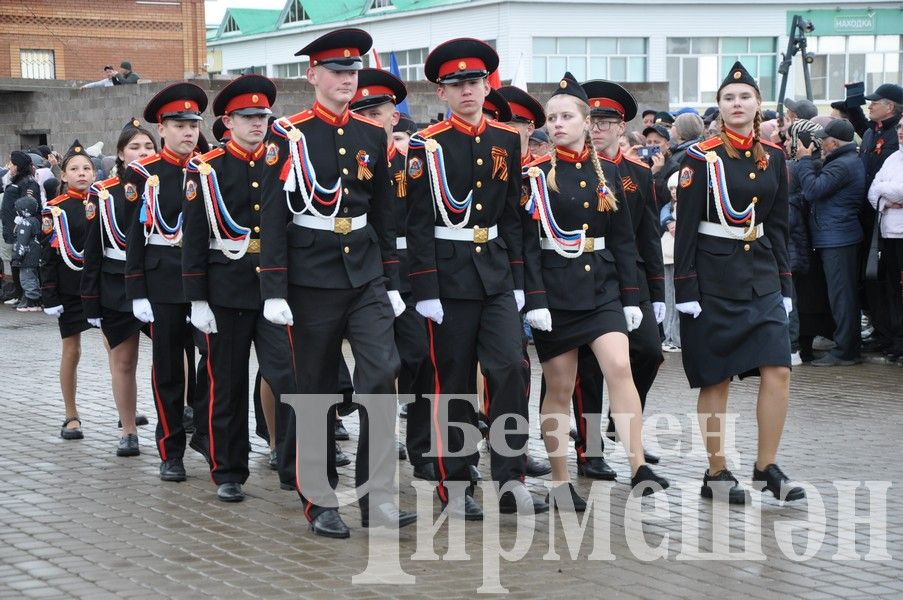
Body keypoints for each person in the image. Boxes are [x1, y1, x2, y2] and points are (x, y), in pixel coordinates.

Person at [259, 28, 414, 538]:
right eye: (337, 72)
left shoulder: (373, 135)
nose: (347, 79)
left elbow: (385, 214)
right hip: (311, 277)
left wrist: (390, 279)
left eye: (352, 72)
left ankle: (376, 497)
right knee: (316, 389)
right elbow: (273, 217)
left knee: (381, 372)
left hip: (365, 272)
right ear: (313, 76)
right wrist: (274, 290)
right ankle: (320, 499)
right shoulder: (288, 134)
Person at [405, 37, 548, 518]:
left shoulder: (507, 140)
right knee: (454, 381)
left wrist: (520, 281)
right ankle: (456, 481)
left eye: (475, 82)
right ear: (441, 93)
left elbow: (512, 218)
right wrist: (425, 287)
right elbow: (419, 221)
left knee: (510, 369)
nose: (468, 91)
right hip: (447, 278)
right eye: (457, 84)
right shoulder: (427, 146)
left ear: (488, 86)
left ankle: (511, 479)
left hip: (494, 275)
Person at [520, 73, 669, 510]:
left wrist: (630, 297)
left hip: (601, 286)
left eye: (568, 116)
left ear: (588, 123)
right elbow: (528, 245)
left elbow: (625, 239)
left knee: (620, 366)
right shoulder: (535, 175)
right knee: (561, 387)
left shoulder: (609, 174)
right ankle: (562, 480)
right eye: (552, 117)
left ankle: (638, 463)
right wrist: (535, 300)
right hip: (556, 290)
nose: (558, 124)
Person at [674, 61, 804, 504]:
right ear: (719, 106)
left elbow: (780, 226)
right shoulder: (699, 156)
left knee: (779, 369)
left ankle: (766, 465)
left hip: (761, 276)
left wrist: (785, 285)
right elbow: (687, 227)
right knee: (717, 377)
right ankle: (717, 471)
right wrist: (686, 289)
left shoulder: (776, 156)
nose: (736, 103)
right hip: (713, 280)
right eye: (729, 98)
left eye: (744, 97)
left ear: (757, 105)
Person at [182, 74, 297, 503]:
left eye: (263, 116)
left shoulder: (281, 160)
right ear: (228, 121)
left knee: (288, 376)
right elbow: (194, 236)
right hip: (225, 288)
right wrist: (196, 298)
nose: (257, 124)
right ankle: (228, 469)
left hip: (273, 288)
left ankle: (292, 462)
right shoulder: (207, 168)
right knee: (226, 383)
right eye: (248, 117)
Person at [562, 78, 666, 479]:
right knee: (586, 368)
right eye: (596, 120)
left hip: (631, 278)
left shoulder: (638, 173)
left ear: (622, 128)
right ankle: (589, 451)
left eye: (609, 122)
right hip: (581, 276)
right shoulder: (564, 168)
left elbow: (648, 236)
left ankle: (623, 422)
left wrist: (656, 291)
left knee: (649, 353)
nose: (600, 129)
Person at [124, 82, 208, 482]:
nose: (188, 132)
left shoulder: (211, 166)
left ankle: (208, 436)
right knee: (170, 369)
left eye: (193, 123)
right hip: (163, 278)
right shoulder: (144, 175)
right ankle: (170, 449)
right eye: (178, 124)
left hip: (209, 280)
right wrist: (136, 290)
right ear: (162, 128)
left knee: (215, 363)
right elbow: (134, 240)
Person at [81, 119, 157, 456]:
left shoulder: (166, 183)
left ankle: (183, 416)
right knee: (124, 361)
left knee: (174, 357)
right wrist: (90, 301)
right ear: (121, 155)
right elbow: (93, 249)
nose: (142, 153)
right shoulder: (104, 192)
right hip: (116, 283)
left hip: (159, 280)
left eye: (148, 146)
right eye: (135, 147)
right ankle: (128, 430)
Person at [795, 119, 865, 366]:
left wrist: (804, 160)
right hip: (835, 236)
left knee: (842, 296)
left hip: (838, 238)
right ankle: (845, 346)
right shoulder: (843, 161)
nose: (820, 145)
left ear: (833, 143)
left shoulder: (842, 165)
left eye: (823, 140)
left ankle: (846, 351)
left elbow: (813, 190)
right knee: (840, 295)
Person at [41, 141, 96, 440]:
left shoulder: (102, 204)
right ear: (63, 175)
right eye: (74, 169)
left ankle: (124, 408)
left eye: (87, 168)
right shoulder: (55, 210)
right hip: (70, 289)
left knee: (116, 349)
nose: (82, 173)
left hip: (100, 287)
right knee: (72, 350)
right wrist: (49, 295)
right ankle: (71, 414)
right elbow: (47, 256)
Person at [858, 84, 903, 358]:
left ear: (891, 107)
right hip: (887, 228)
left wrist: (889, 193)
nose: (900, 133)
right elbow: (874, 190)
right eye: (900, 130)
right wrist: (889, 198)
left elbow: (896, 189)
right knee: (889, 287)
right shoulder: (893, 157)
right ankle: (894, 339)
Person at [2, 151, 41, 305]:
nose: (9, 166)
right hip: (12, 229)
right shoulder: (16, 181)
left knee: (24, 263)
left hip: (22, 231)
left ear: (18, 166)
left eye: (12, 163)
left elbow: (28, 205)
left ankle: (29, 296)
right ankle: (20, 294)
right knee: (16, 262)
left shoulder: (28, 183)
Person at [11, 194, 42, 311]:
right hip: (35, 254)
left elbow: (22, 241)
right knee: (33, 277)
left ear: (24, 210)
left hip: (27, 256)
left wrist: (17, 255)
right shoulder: (35, 221)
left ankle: (31, 301)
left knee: (26, 278)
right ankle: (35, 300)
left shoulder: (26, 223)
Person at [660, 171, 680, 351]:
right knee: (669, 298)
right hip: (667, 254)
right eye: (671, 189)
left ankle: (677, 337)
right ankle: (669, 336)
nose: (674, 191)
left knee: (678, 297)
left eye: (677, 188)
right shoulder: (668, 208)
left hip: (681, 255)